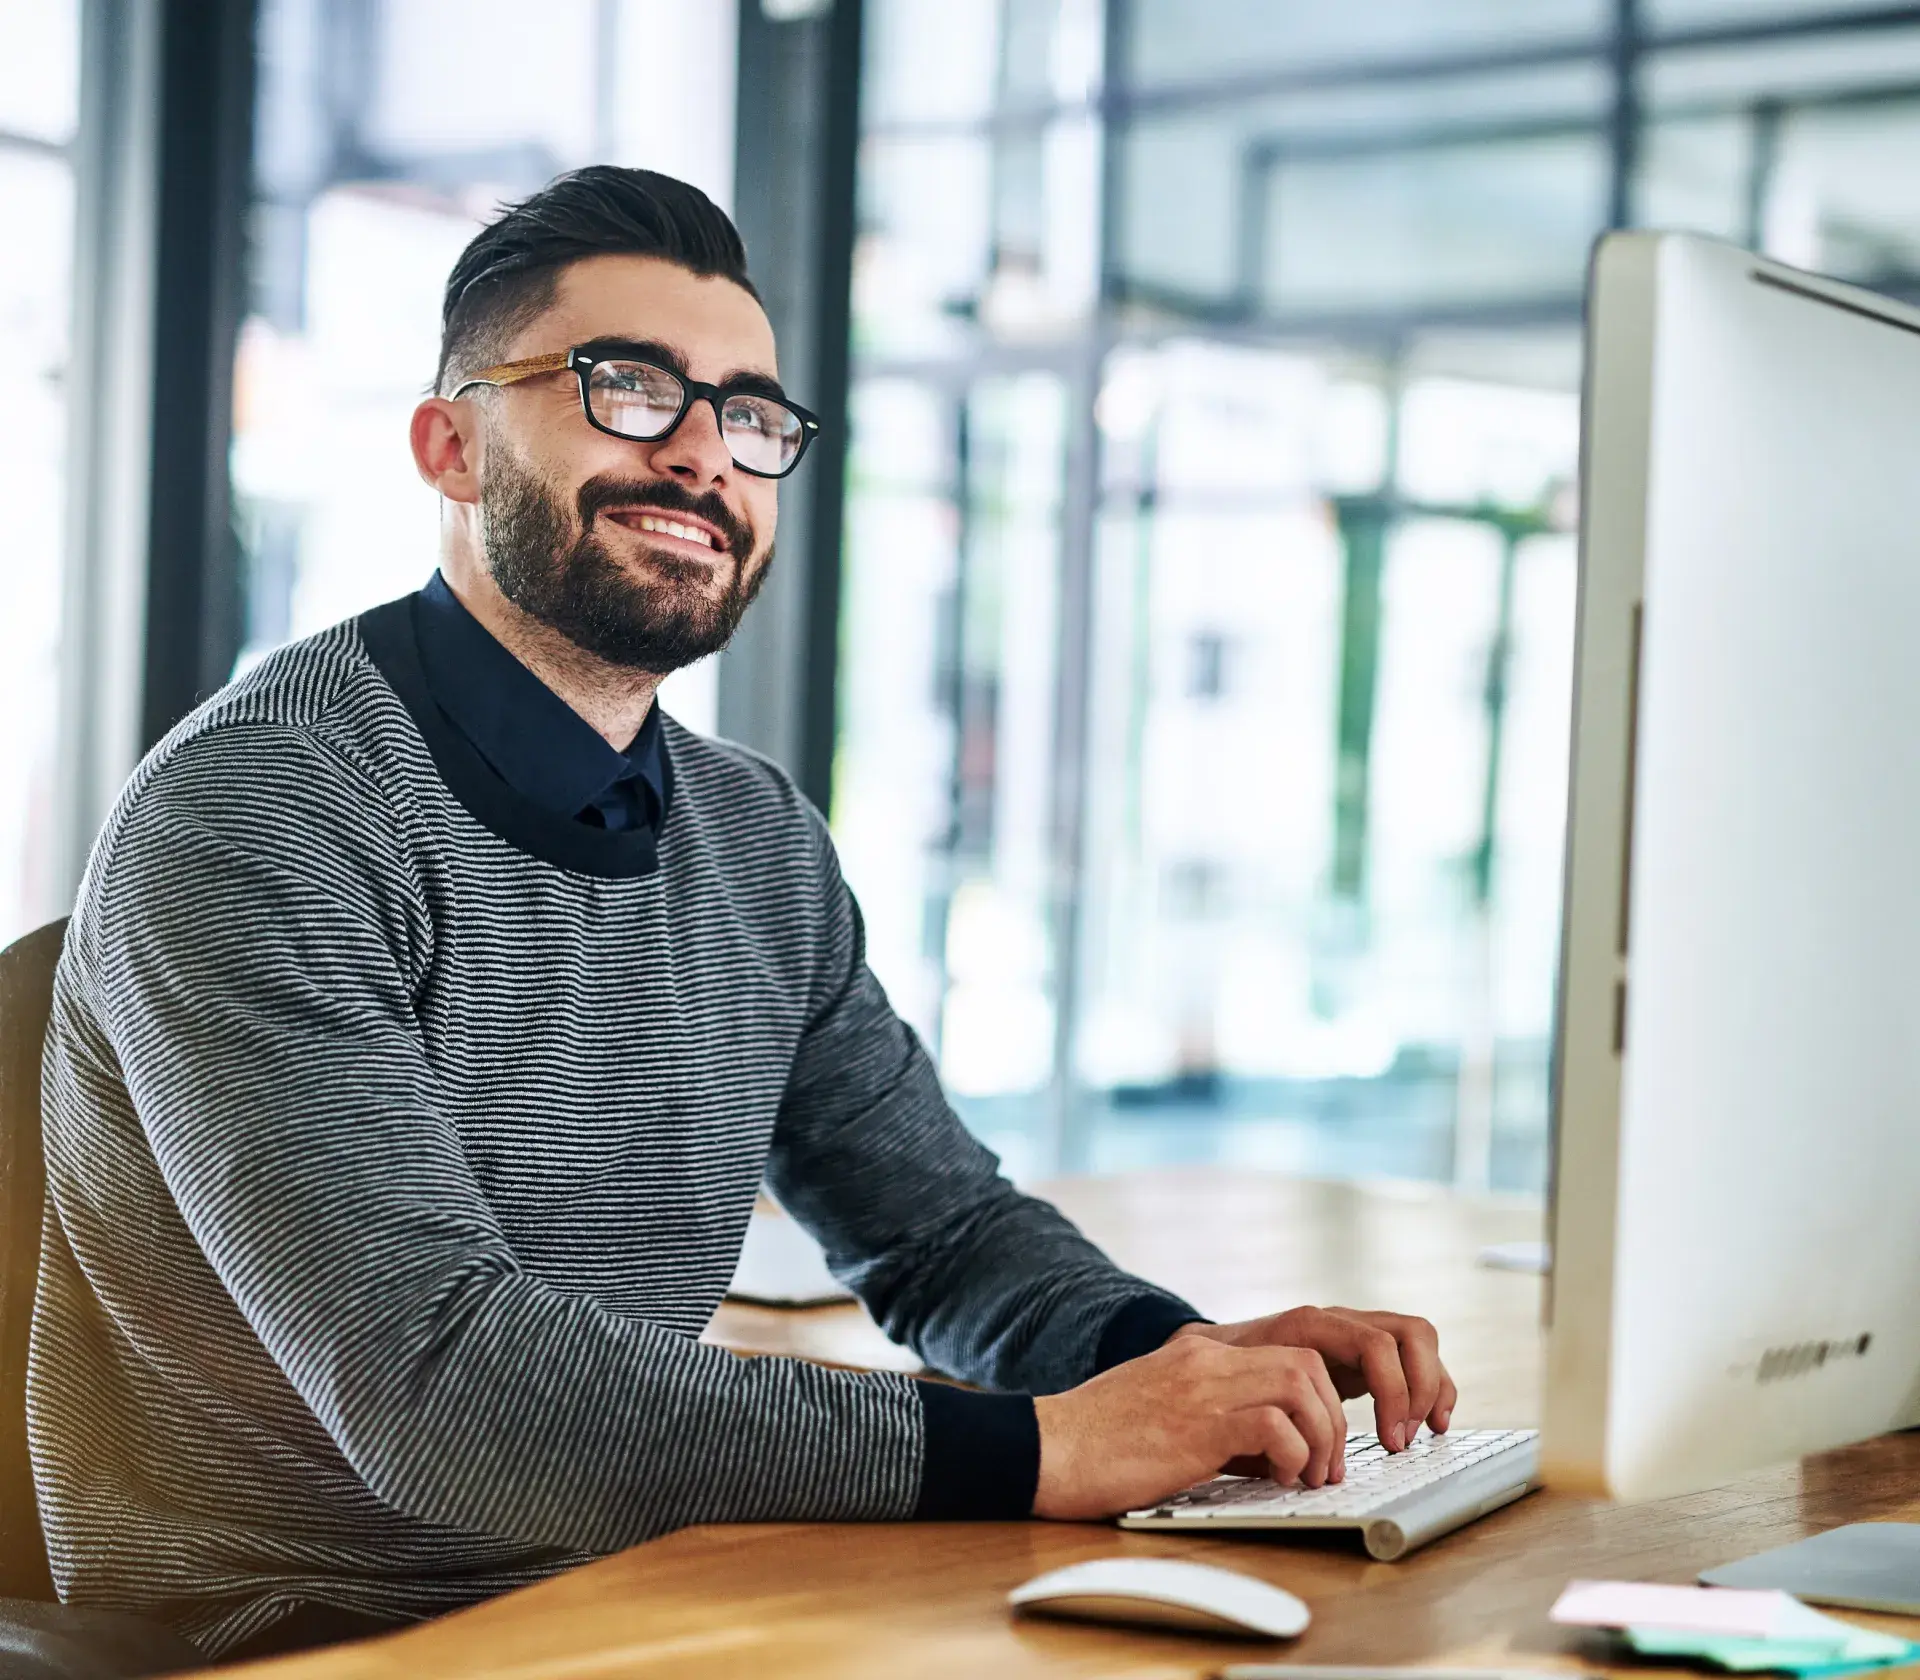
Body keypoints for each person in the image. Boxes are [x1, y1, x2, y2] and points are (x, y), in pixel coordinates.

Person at [28, 167, 1457, 1661]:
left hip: (647, 1587)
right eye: (629, 387)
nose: (706, 453)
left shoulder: (753, 834)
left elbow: (946, 1238)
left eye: (752, 417)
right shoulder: (261, 807)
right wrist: (1047, 1451)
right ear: (450, 447)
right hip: (305, 1635)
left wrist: (1184, 1368)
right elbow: (440, 1390)